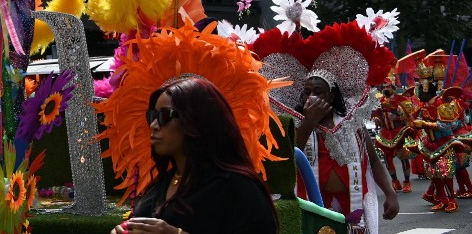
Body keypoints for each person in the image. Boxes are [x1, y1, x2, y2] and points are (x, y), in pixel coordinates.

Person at [110, 76, 278, 234]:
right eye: (152, 116)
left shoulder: (239, 187)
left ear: (197, 120)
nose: (153, 125)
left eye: (164, 116)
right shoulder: (163, 182)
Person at [295, 75, 400, 223]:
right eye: (307, 92)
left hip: (352, 205)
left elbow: (374, 161)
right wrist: (309, 122)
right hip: (314, 207)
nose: (311, 97)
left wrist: (390, 193)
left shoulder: (352, 123)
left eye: (317, 92)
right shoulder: (296, 124)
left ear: (331, 96)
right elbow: (290, 156)